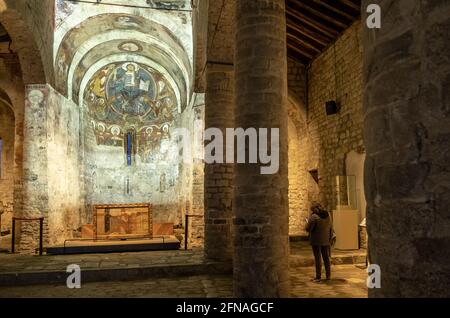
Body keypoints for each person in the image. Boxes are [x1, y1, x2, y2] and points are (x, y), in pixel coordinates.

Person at [305, 203, 334, 282]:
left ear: (315, 209)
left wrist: (307, 222)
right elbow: (331, 227)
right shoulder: (328, 215)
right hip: (326, 239)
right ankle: (328, 276)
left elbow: (308, 228)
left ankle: (318, 277)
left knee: (318, 258)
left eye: (312, 210)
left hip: (316, 240)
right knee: (326, 258)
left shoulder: (314, 217)